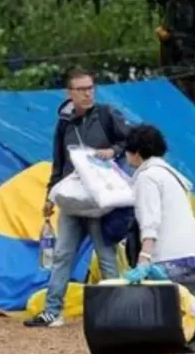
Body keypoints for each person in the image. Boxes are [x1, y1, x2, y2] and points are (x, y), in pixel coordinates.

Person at [25, 67, 129, 328]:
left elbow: (131, 140)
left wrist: (113, 151)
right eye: (81, 89)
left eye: (90, 88)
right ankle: (52, 311)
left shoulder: (107, 115)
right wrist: (50, 195)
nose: (87, 93)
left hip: (99, 201)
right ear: (69, 93)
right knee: (62, 254)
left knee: (106, 256)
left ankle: (115, 313)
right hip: (72, 199)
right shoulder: (64, 123)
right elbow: (58, 163)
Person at [119, 123, 195, 354]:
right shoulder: (174, 176)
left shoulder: (147, 177)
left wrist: (144, 259)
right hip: (192, 255)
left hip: (166, 255)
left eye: (128, 151)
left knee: (148, 310)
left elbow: (150, 221)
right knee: (187, 311)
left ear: (136, 153)